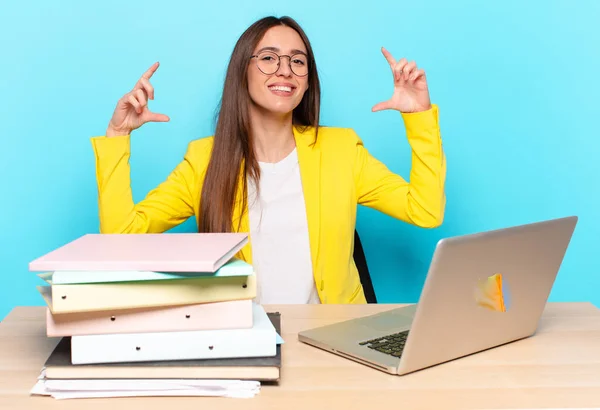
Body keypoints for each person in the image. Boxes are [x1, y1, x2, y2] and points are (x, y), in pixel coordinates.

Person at [90, 15, 446, 305]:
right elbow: (121, 237)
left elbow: (426, 211)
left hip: (334, 343)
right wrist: (117, 138)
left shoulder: (342, 150)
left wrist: (419, 117)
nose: (285, 70)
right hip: (242, 342)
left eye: (298, 61)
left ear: (308, 82)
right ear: (242, 71)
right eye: (268, 58)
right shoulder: (204, 161)